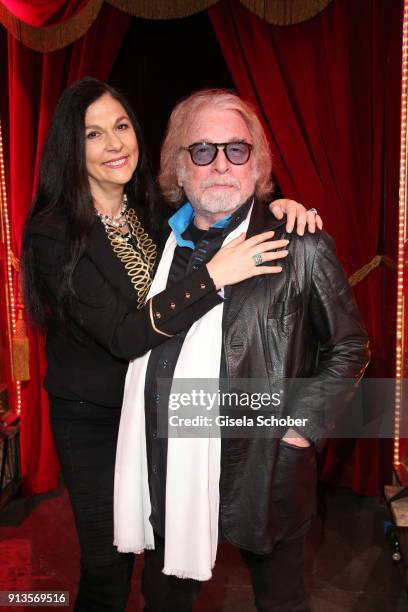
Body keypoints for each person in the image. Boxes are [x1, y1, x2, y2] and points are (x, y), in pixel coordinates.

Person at [21, 77, 320, 612]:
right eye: (94, 134)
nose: (115, 144)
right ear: (71, 147)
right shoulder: (55, 231)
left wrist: (279, 207)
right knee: (109, 568)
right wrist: (215, 275)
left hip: (158, 414)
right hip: (95, 419)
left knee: (162, 557)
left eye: (121, 126)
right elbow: (125, 334)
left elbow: (220, 205)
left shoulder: (150, 213)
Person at [114, 89, 370, 612]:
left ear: (258, 165)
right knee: (162, 599)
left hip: (264, 472)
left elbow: (350, 344)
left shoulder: (299, 243)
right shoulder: (155, 248)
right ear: (178, 169)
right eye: (202, 150)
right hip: (168, 474)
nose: (220, 165)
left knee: (281, 602)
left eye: (237, 149)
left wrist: (301, 430)